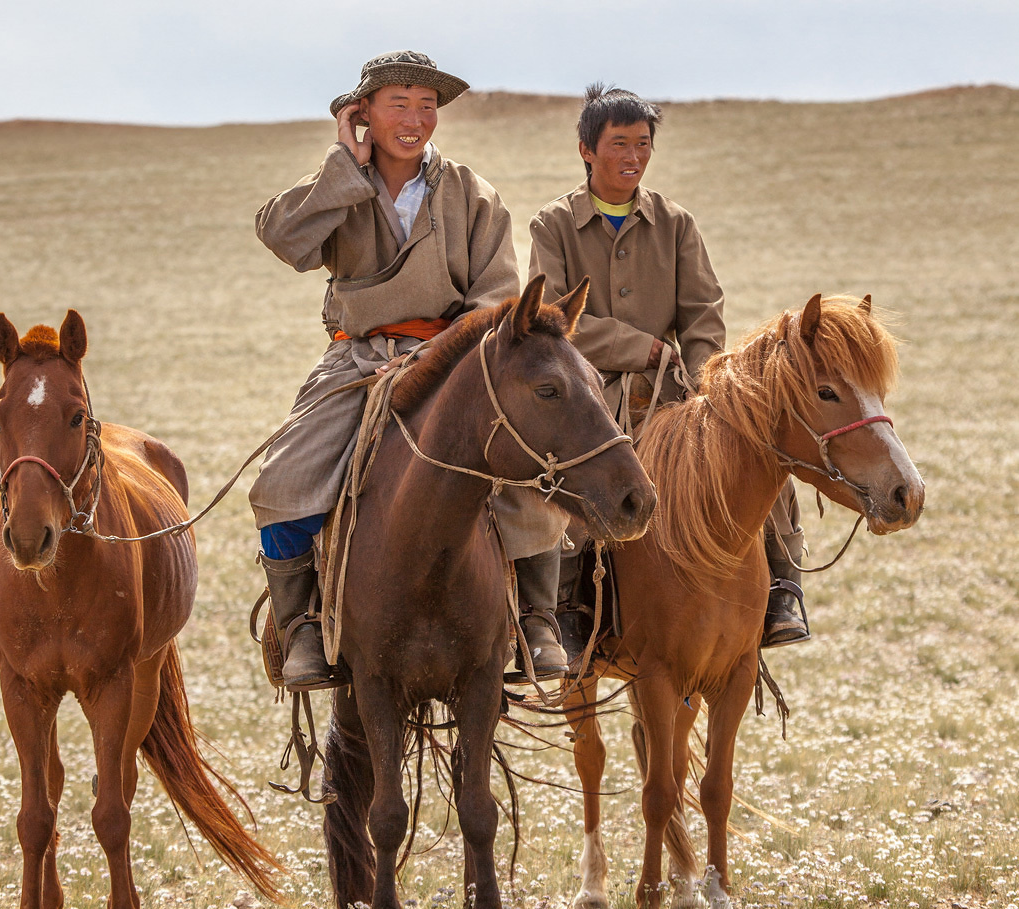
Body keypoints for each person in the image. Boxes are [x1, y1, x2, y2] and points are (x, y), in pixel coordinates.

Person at [249, 51, 569, 691]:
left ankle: (535, 621)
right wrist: (345, 167)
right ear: (362, 113)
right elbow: (285, 240)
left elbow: (497, 293)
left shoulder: (472, 194)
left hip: (454, 359)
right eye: (399, 104)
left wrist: (446, 354)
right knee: (281, 482)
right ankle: (303, 626)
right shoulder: (336, 185)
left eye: (428, 106)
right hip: (359, 358)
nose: (416, 119)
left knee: (534, 465)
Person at [529, 83, 809, 649]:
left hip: (676, 385)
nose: (633, 156)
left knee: (759, 448)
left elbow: (704, 312)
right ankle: (560, 610)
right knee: (562, 473)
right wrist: (644, 348)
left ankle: (782, 584)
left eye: (643, 144)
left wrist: (709, 386)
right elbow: (555, 318)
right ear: (586, 149)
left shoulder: (676, 223)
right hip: (587, 387)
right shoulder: (552, 225)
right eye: (619, 144)